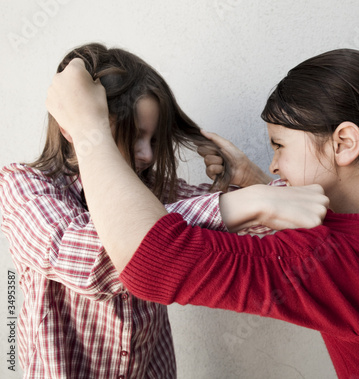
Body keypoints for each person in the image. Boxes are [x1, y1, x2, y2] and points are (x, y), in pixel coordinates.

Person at [45, 48, 359, 378]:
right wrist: (251, 181)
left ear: (345, 143)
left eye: (279, 146)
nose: (272, 166)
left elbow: (152, 263)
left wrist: (89, 130)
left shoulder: (342, 264)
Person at [0, 43, 326, 379]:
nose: (147, 155)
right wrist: (234, 204)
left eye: (155, 141)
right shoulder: (23, 186)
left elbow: (287, 227)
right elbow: (88, 261)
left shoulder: (156, 191)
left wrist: (250, 180)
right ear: (73, 129)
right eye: (134, 136)